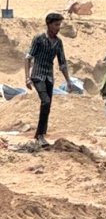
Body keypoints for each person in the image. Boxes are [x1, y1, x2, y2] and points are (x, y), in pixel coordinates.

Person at [24, 12, 75, 148]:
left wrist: (68, 81)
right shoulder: (39, 39)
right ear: (49, 24)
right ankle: (40, 136)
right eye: (56, 24)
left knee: (48, 105)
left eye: (59, 25)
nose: (58, 27)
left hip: (49, 77)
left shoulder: (58, 42)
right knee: (45, 101)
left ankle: (40, 134)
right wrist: (27, 78)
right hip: (37, 75)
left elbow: (62, 63)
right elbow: (28, 57)